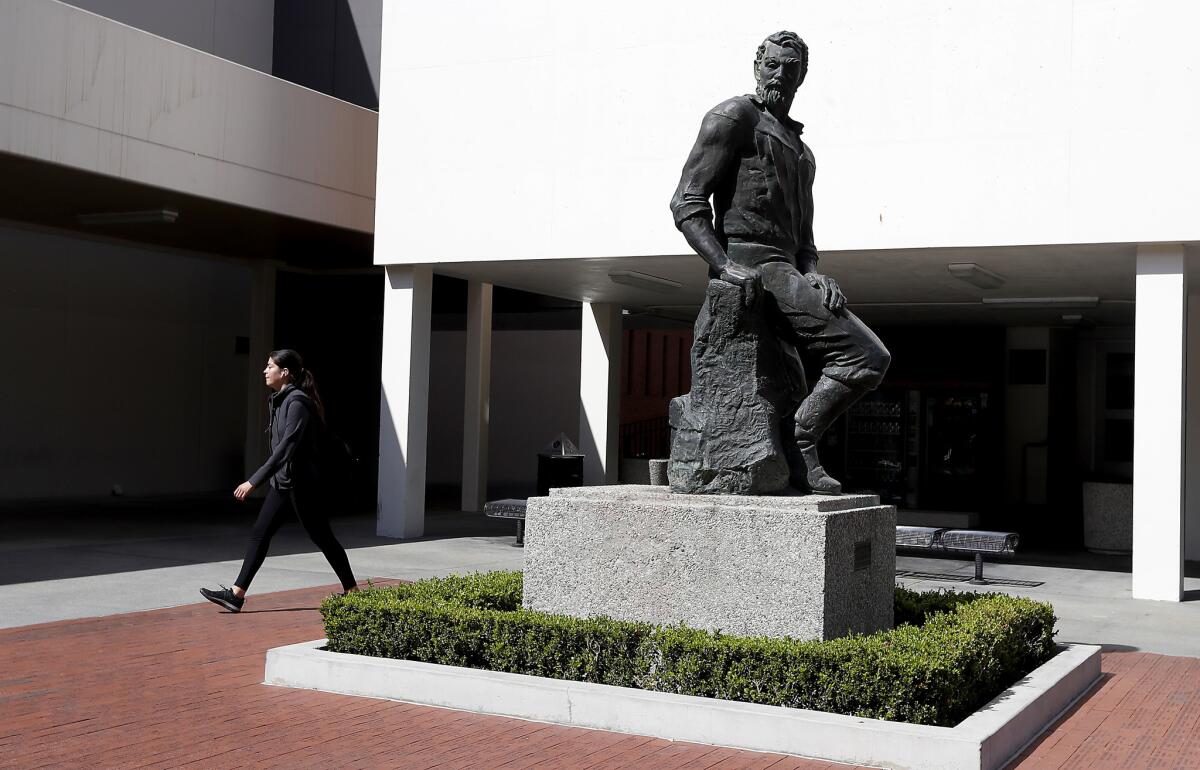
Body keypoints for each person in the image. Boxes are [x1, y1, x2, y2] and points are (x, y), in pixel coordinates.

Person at [669, 30, 891, 494]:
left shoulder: (802, 151)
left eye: (790, 69)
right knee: (868, 355)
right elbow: (687, 203)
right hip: (753, 265)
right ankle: (801, 442)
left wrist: (814, 273)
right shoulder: (733, 117)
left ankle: (797, 439)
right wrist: (725, 265)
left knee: (868, 357)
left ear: (801, 77)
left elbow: (804, 236)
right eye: (772, 64)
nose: (779, 75)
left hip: (788, 270)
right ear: (757, 65)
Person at [200, 349, 357, 612]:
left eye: (270, 366)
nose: (265, 370)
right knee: (260, 533)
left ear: (284, 372)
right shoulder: (279, 400)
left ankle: (352, 590)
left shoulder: (296, 402)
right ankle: (236, 595)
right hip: (284, 483)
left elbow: (286, 448)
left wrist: (254, 481)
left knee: (323, 537)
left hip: (302, 485)